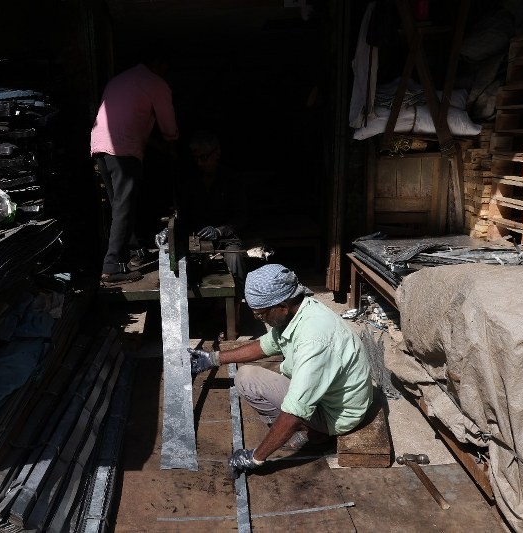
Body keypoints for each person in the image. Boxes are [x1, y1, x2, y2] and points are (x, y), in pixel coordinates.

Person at [187, 263, 373, 476]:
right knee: (246, 376)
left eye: (261, 314)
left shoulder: (314, 340)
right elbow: (266, 345)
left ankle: (318, 435)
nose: (260, 319)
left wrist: (256, 457)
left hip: (338, 414)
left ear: (282, 306)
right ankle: (312, 429)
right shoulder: (301, 310)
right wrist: (213, 359)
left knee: (252, 383)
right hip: (331, 396)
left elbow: (295, 411)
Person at [91, 49, 179, 284]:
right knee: (124, 205)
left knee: (118, 204)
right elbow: (168, 124)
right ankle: (111, 267)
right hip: (122, 148)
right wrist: (173, 146)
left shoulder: (121, 79)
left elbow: (132, 122)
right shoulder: (155, 83)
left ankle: (130, 251)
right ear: (159, 64)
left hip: (100, 145)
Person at [184, 131, 248, 325]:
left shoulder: (232, 179)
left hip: (227, 237)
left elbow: (243, 216)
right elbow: (184, 214)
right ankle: (198, 315)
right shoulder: (190, 180)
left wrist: (220, 230)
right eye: (196, 158)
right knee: (186, 264)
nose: (200, 163)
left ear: (216, 153)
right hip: (198, 237)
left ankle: (234, 316)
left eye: (204, 157)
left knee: (235, 259)